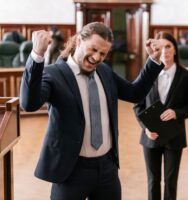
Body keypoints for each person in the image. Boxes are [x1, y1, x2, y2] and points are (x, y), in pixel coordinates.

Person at [20, 22, 164, 200]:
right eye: (93, 49)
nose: (97, 58)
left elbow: (135, 93)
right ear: (79, 40)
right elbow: (29, 103)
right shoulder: (53, 73)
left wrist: (154, 60)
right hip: (70, 171)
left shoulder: (104, 71)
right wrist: (37, 55)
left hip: (107, 169)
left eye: (103, 53)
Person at [133, 31, 188, 200]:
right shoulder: (147, 74)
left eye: (168, 46)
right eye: (160, 47)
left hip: (175, 136)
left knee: (170, 181)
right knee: (153, 181)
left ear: (175, 49)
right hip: (150, 135)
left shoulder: (187, 77)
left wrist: (176, 113)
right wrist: (145, 127)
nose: (164, 51)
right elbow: (138, 105)